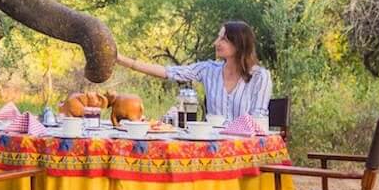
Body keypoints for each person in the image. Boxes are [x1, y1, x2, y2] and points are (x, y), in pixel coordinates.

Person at [116, 21, 272, 119]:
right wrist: (122, 60)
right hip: (212, 148)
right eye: (218, 37)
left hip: (246, 150)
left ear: (239, 44)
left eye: (223, 39)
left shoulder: (260, 76)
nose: (216, 43)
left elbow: (258, 119)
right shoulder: (208, 69)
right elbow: (168, 72)